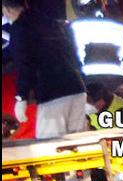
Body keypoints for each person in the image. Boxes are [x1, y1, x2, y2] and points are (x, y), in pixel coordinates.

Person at [4, 0, 88, 138]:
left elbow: (24, 65)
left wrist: (22, 98)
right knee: (78, 144)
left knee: (49, 145)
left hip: (53, 93)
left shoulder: (20, 28)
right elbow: (73, 53)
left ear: (6, 9)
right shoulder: (53, 23)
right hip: (77, 89)